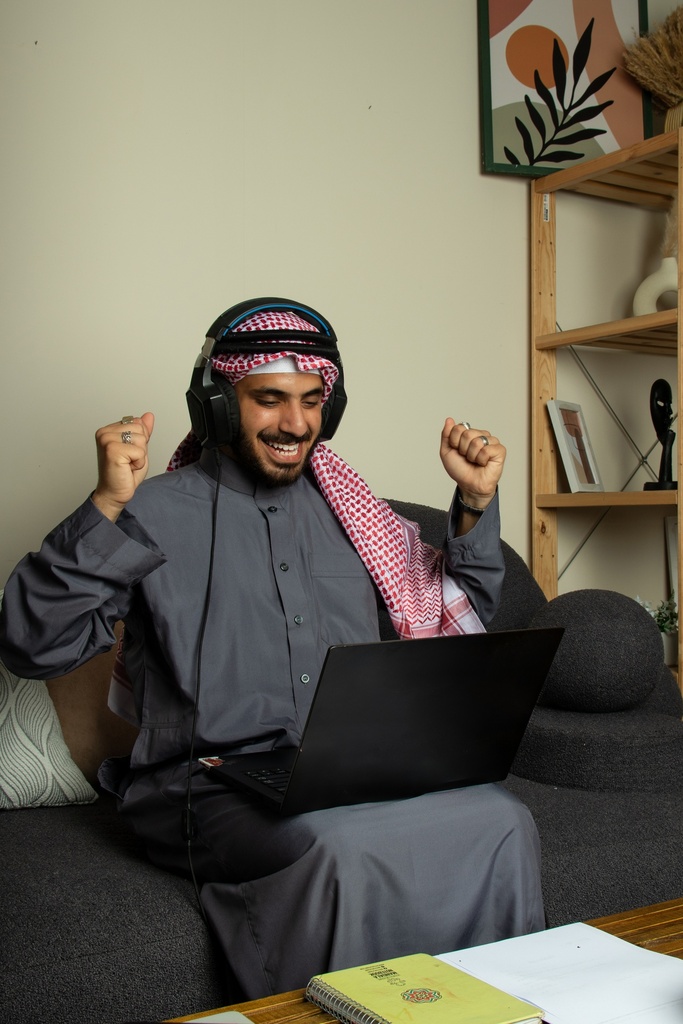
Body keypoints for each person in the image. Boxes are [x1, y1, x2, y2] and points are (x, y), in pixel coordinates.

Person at [0, 297, 544, 998]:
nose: (295, 423)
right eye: (270, 400)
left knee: (500, 817)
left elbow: (449, 619)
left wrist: (471, 503)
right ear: (218, 404)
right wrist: (104, 505)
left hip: (344, 767)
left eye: (312, 401)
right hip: (200, 784)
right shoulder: (147, 511)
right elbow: (31, 645)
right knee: (336, 845)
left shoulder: (353, 512)